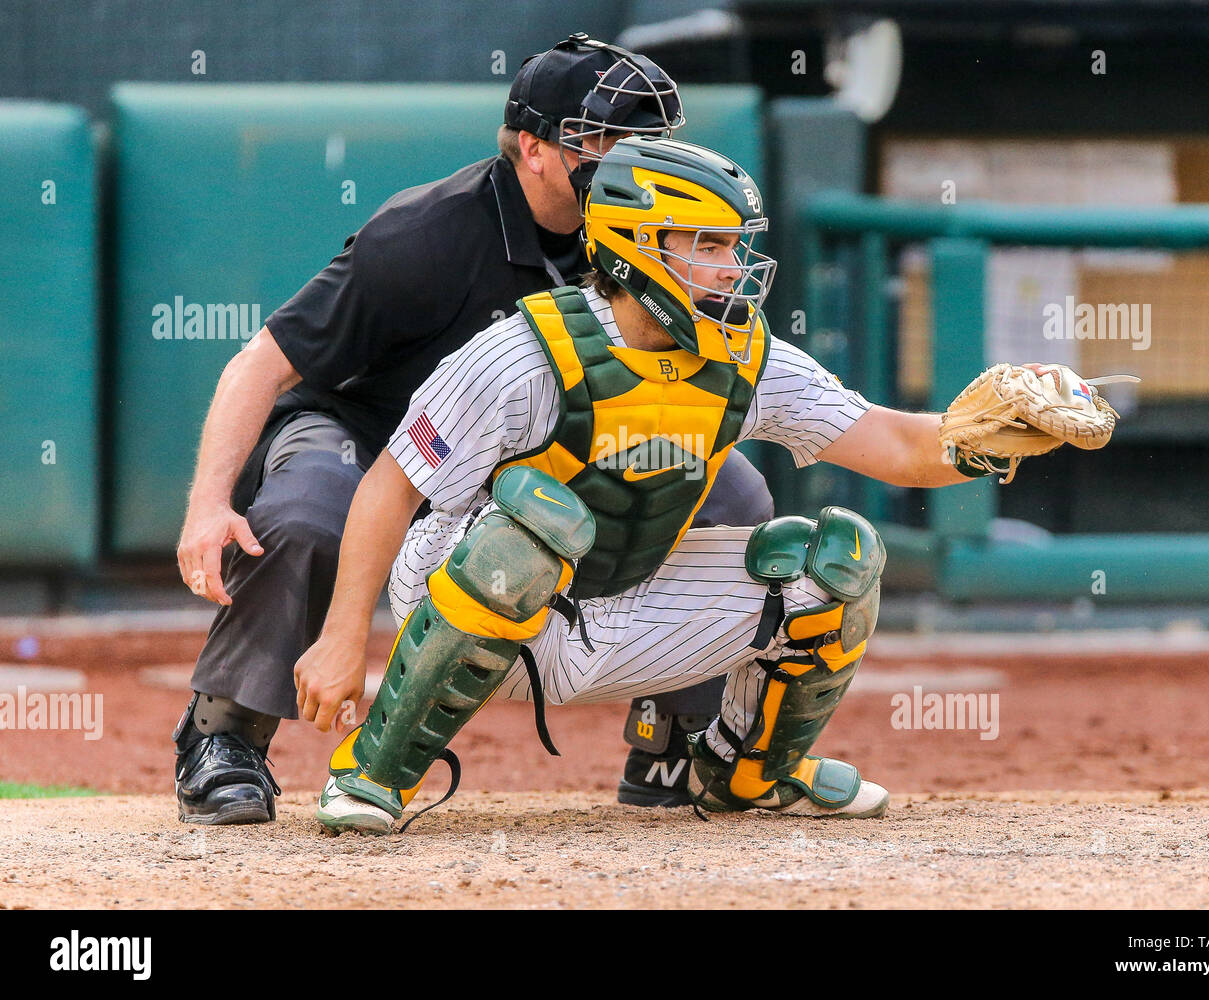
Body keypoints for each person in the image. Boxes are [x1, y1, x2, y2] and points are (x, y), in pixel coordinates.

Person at [292, 134, 1010, 835]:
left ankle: (751, 772)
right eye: (706, 245)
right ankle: (375, 771)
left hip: (625, 594)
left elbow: (896, 446)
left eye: (734, 245)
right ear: (636, 243)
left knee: (837, 564)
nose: (733, 268)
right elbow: (390, 486)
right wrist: (343, 636)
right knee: (523, 539)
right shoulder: (524, 354)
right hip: (476, 600)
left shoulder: (745, 355)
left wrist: (1000, 434)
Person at [170, 33, 764, 825]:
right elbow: (261, 364)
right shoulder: (426, 237)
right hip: (371, 440)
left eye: (649, 141)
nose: (633, 160)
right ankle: (224, 734)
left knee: (729, 488)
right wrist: (208, 502)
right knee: (310, 509)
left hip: (533, 459)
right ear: (534, 148)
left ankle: (679, 732)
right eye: (604, 140)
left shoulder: (657, 237)